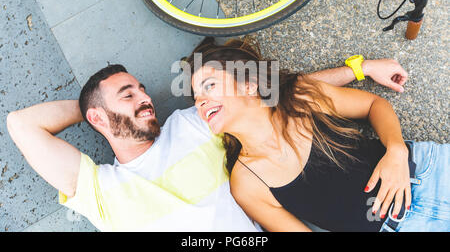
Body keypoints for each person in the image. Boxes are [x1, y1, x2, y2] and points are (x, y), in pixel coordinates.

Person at [7, 49, 410, 231]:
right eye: (128, 95)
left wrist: (360, 68)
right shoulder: (99, 189)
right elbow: (21, 125)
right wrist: (93, 107)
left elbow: (276, 95)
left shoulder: (194, 124)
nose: (145, 98)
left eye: (142, 89)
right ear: (97, 116)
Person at [187, 37, 450, 232]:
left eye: (209, 86)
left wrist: (395, 150)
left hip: (426, 173)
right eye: (197, 97)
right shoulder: (246, 185)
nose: (201, 101)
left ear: (249, 84)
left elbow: (373, 105)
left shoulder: (299, 97)